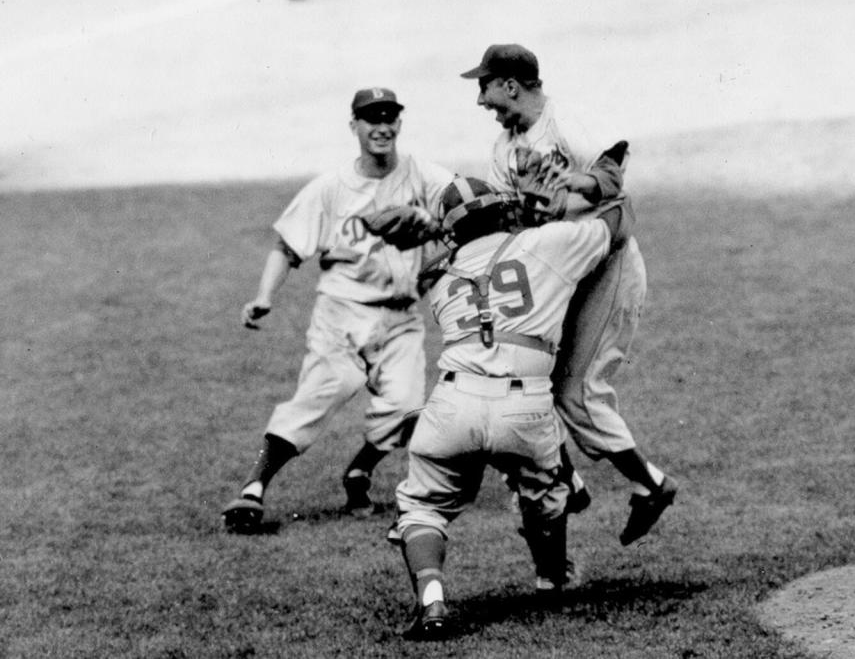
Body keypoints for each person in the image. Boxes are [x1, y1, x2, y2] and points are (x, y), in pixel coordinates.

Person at [375, 176, 638, 640]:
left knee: (421, 506)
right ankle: (551, 579)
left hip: (453, 401)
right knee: (546, 496)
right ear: (503, 212)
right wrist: (601, 182)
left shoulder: (438, 275)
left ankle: (432, 598)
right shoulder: (547, 243)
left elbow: (452, 255)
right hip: (525, 404)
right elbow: (618, 223)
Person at [460, 44, 678, 546]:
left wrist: (573, 182)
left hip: (607, 266)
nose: (481, 101)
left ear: (510, 84)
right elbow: (508, 216)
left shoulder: (564, 120)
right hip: (561, 274)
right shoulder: (502, 147)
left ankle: (653, 486)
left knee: (576, 396)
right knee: (527, 379)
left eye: (484, 87)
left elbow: (611, 175)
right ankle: (569, 482)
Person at [221, 88, 455, 533]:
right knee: (319, 396)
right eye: (371, 119)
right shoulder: (331, 188)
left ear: (399, 124)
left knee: (407, 409)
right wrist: (264, 296)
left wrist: (435, 225)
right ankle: (253, 488)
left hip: (401, 316)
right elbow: (286, 247)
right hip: (341, 314)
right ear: (355, 127)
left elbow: (461, 202)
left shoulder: (423, 175)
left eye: (389, 117)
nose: (382, 126)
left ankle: (360, 469)